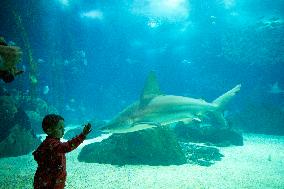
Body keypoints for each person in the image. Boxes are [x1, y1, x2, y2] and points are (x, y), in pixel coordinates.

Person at [33, 114, 92, 189]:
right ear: (49, 130)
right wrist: (82, 135)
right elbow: (66, 147)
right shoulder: (50, 144)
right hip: (48, 184)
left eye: (63, 127)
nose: (63, 130)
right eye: (60, 128)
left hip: (54, 182)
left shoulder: (54, 143)